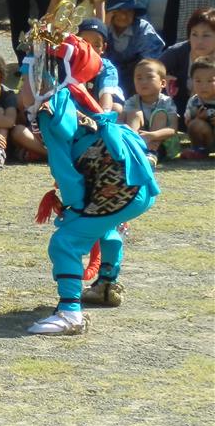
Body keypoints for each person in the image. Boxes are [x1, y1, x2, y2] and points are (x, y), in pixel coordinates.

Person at [25, 32, 157, 334]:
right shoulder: (78, 97)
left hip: (120, 188)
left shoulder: (51, 110)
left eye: (29, 72)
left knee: (66, 241)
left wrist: (74, 207)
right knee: (103, 225)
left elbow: (65, 171)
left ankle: (70, 312)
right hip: (139, 184)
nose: (24, 84)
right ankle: (106, 284)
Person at [104, 0, 165, 95]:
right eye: (118, 11)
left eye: (128, 11)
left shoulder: (143, 29)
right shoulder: (102, 28)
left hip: (137, 82)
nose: (123, 16)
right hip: (106, 81)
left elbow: (150, 63)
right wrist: (104, 28)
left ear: (134, 13)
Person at [120, 57, 180, 165]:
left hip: (162, 144)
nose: (143, 82)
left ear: (162, 83)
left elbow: (172, 129)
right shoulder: (132, 101)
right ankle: (132, 149)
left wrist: (152, 135)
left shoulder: (166, 102)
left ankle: (152, 153)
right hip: (140, 140)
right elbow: (120, 122)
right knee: (134, 113)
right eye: (139, 78)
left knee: (160, 113)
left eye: (149, 77)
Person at [160, 6, 215, 114]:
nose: (199, 41)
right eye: (194, 34)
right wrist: (162, 78)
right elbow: (150, 69)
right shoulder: (178, 52)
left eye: (206, 35)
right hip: (180, 110)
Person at [76, 18, 125, 113]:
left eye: (96, 45)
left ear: (104, 48)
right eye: (84, 42)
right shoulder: (69, 62)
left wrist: (104, 114)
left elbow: (106, 93)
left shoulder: (106, 67)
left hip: (99, 106)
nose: (90, 49)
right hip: (77, 107)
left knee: (116, 108)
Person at [181, 55, 215, 159]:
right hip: (207, 138)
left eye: (210, 81)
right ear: (191, 81)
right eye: (198, 81)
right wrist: (199, 118)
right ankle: (199, 150)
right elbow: (188, 124)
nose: (204, 86)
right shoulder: (194, 101)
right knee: (195, 124)